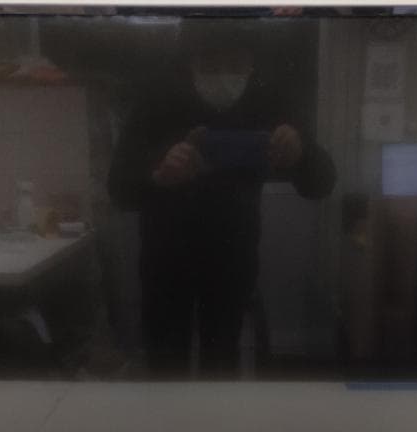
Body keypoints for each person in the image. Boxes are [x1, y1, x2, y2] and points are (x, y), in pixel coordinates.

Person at [108, 20, 336, 378]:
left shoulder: (267, 98)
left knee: (221, 365)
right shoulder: (157, 98)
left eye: (235, 65)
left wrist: (301, 152)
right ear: (190, 62)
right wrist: (157, 173)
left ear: (251, 63)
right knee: (165, 369)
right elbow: (118, 188)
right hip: (165, 261)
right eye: (209, 64)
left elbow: (321, 184)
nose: (223, 76)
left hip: (232, 260)